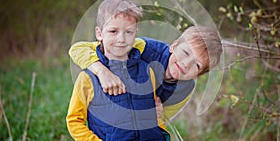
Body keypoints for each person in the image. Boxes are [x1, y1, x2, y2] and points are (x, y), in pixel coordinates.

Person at [66, 0, 173, 141]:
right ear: (99, 33)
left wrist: (158, 134)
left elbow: (152, 107)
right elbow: (74, 120)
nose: (121, 39)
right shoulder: (87, 79)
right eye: (113, 31)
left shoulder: (147, 70)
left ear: (136, 33)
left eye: (128, 32)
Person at [69, 25, 222, 121]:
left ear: (198, 75)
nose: (186, 64)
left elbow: (164, 118)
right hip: (107, 107)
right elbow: (78, 49)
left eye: (196, 65)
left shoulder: (185, 89)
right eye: (186, 52)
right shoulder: (144, 47)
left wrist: (159, 114)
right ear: (174, 46)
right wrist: (101, 71)